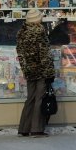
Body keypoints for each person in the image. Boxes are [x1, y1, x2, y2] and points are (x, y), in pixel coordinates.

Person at [16, 9, 55, 138]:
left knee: (30, 98)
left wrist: (25, 68)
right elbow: (45, 55)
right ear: (37, 19)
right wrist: (49, 72)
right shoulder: (40, 31)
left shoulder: (22, 32)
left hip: (29, 70)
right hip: (41, 70)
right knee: (40, 98)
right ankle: (37, 129)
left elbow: (20, 54)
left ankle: (24, 128)